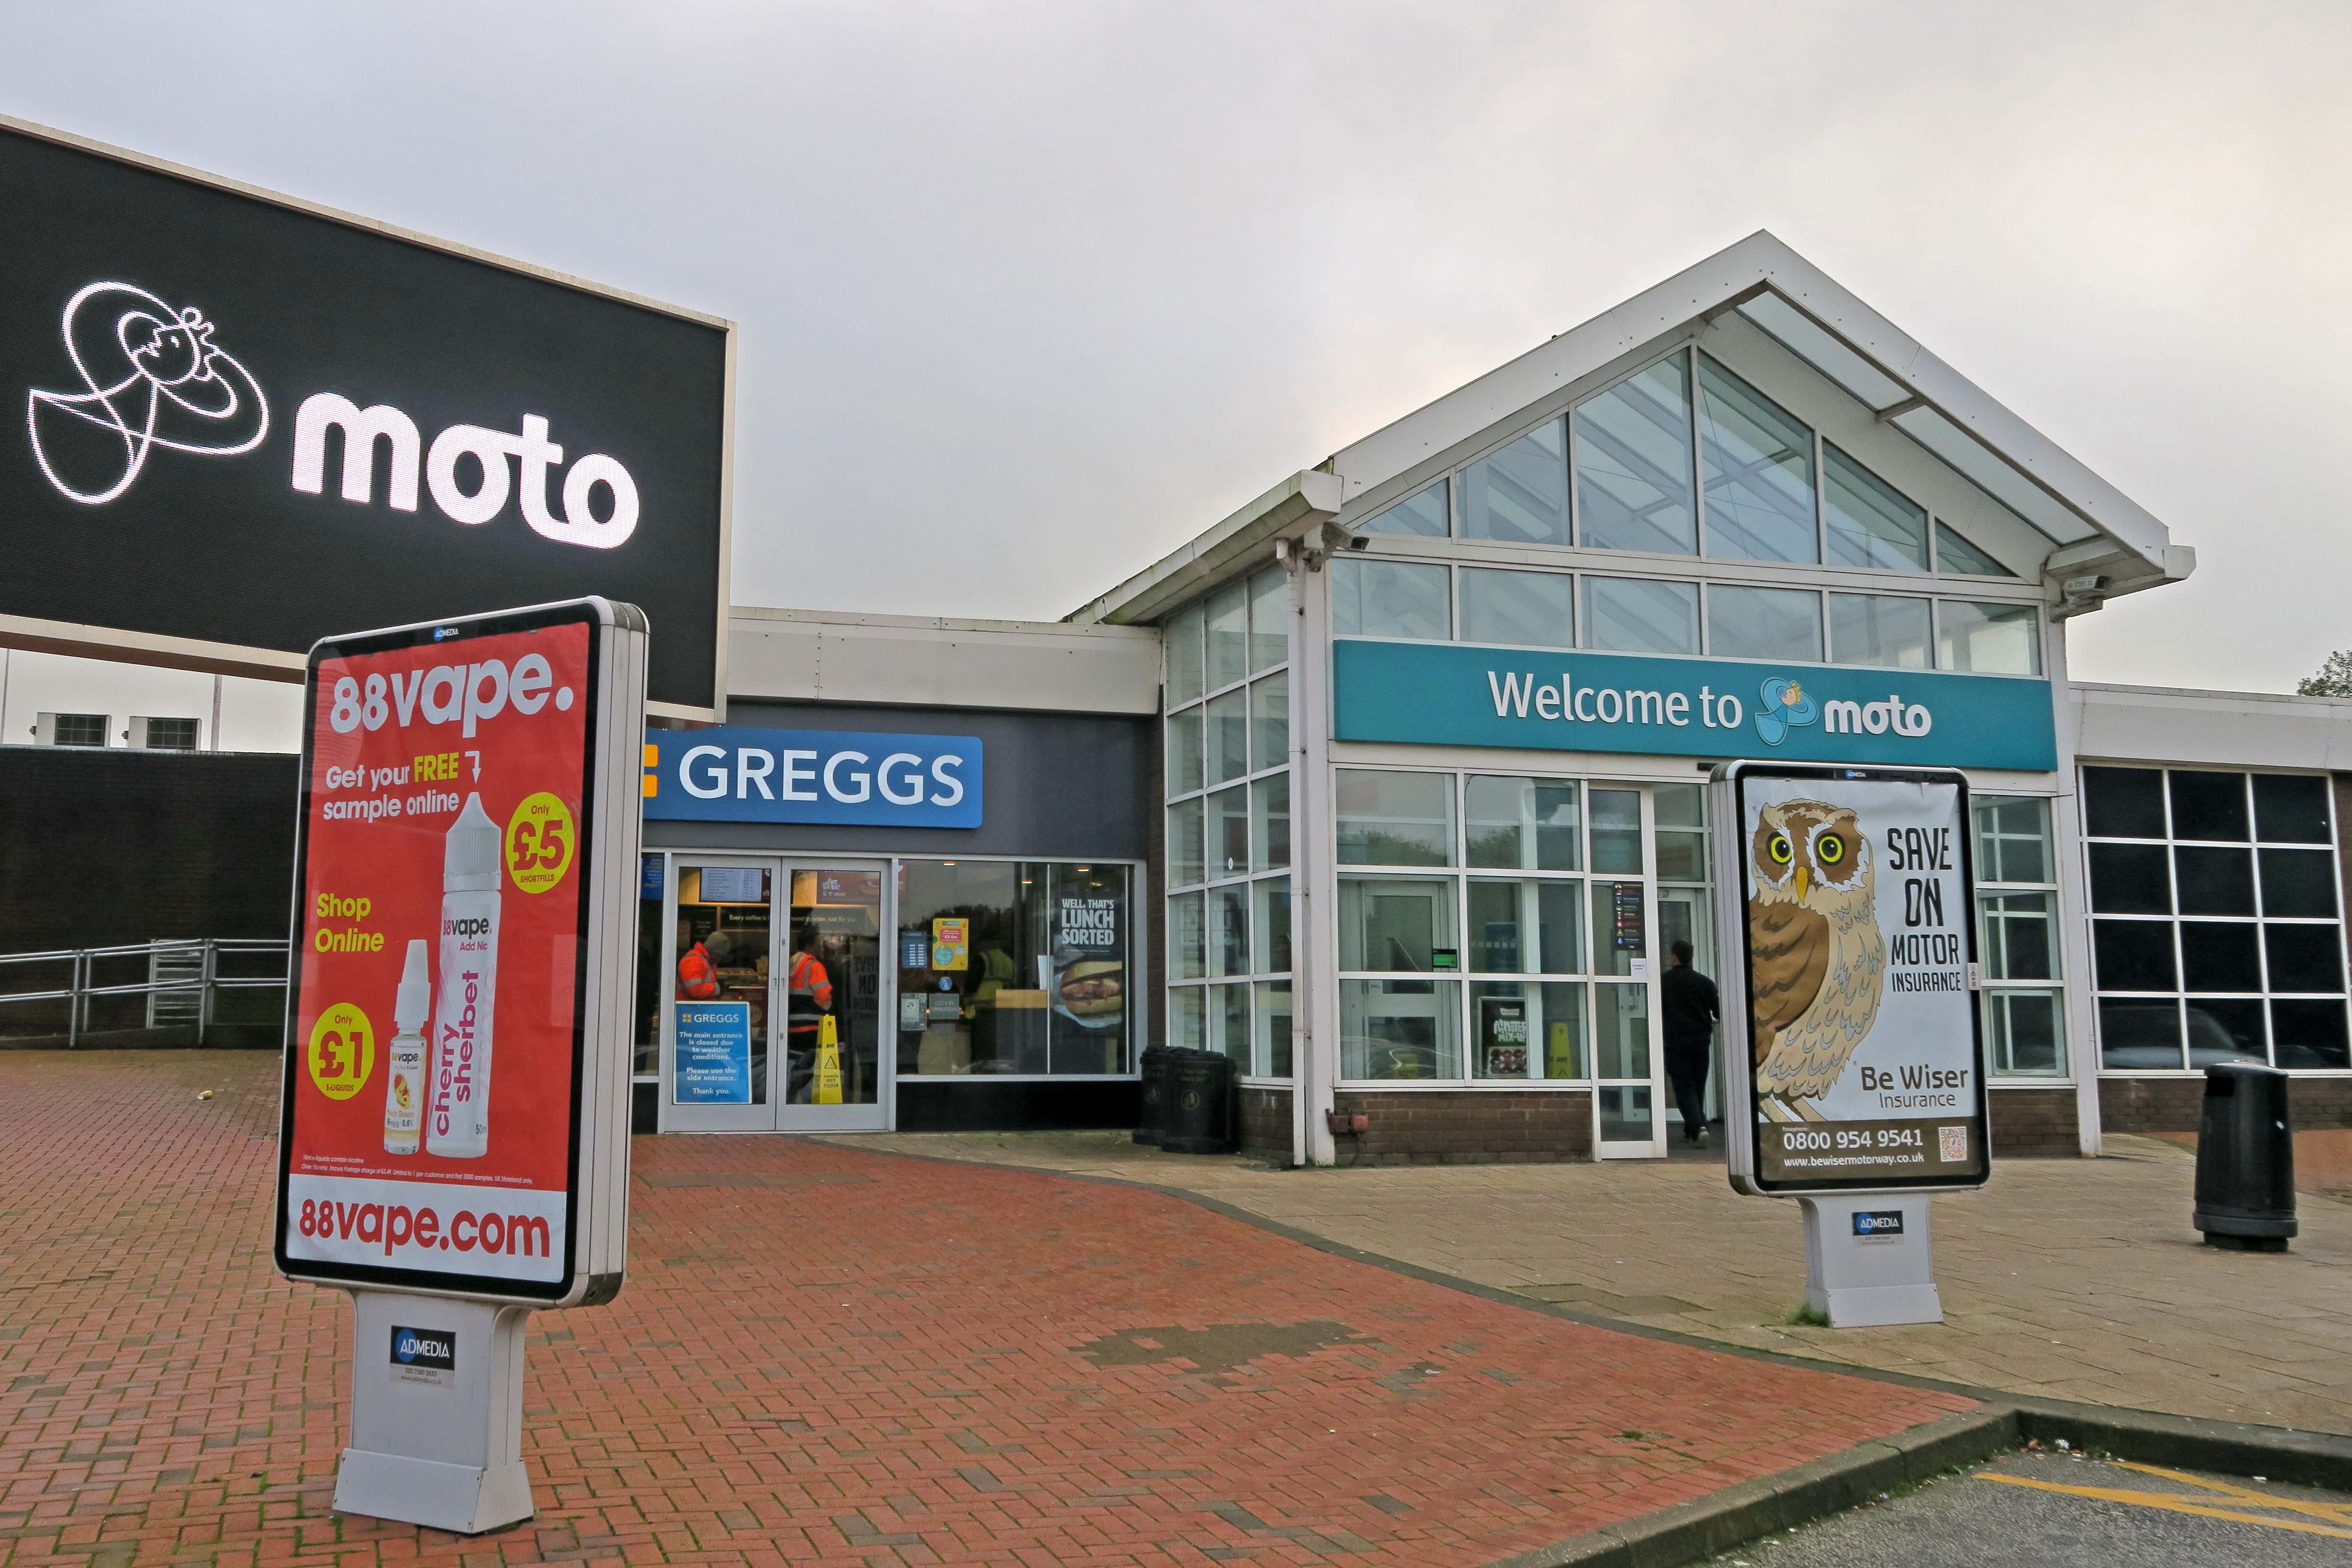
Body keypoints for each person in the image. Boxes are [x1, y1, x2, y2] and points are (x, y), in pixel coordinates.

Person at [1661, 939, 1719, 1145]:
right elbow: (1718, 1011)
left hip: (1675, 1041)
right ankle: (1692, 1129)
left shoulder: (1664, 982)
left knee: (1684, 1087)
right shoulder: (1705, 982)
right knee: (1698, 1085)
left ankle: (1698, 1126)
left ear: (1675, 957)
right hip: (1701, 1041)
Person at [784, 922, 835, 1101]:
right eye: (818, 943)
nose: (820, 947)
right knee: (809, 1065)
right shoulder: (814, 967)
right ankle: (795, 1095)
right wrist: (829, 1008)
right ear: (809, 945)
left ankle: (788, 1095)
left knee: (794, 1062)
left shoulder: (789, 963)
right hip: (811, 1025)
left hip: (791, 1024)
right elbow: (823, 996)